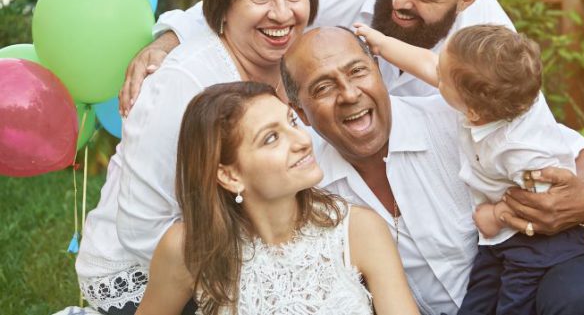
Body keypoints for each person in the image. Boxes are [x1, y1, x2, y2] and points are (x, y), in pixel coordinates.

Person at [119, 0, 584, 240]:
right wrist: (169, 40)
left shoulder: (486, 39)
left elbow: (546, 138)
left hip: (453, 211)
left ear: (464, 1)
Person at [279, 26, 584, 315]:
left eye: (358, 71)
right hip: (486, 287)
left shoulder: (458, 113)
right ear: (302, 113)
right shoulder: (307, 181)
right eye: (323, 87)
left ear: (378, 72)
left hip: (556, 259)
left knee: (579, 299)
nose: (349, 93)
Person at [76, 0, 318, 314]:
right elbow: (142, 231)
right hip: (153, 276)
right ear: (222, 6)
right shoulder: (183, 82)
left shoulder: (294, 65)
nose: (282, 13)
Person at [354, 22, 584, 314]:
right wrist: (381, 42)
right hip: (498, 240)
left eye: (441, 79)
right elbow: (428, 64)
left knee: (515, 303)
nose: (435, 75)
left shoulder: (521, 149)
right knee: (479, 299)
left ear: (472, 112)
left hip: (537, 241)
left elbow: (545, 204)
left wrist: (496, 215)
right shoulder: (491, 97)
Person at [136, 81, 418, 315]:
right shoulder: (187, 247)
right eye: (271, 138)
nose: (302, 141)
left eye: (292, 122)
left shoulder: (359, 230)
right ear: (230, 176)